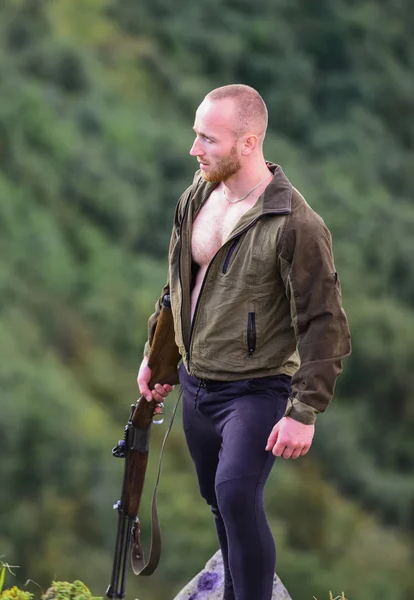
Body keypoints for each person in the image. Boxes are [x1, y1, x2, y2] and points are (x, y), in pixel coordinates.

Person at [137, 84, 351, 600]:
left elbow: (325, 321)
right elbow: (179, 288)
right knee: (217, 499)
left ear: (248, 143)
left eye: (207, 138)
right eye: (196, 135)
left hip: (256, 390)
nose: (195, 148)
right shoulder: (196, 196)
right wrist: (158, 358)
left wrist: (305, 412)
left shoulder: (295, 223)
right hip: (197, 386)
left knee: (236, 494)